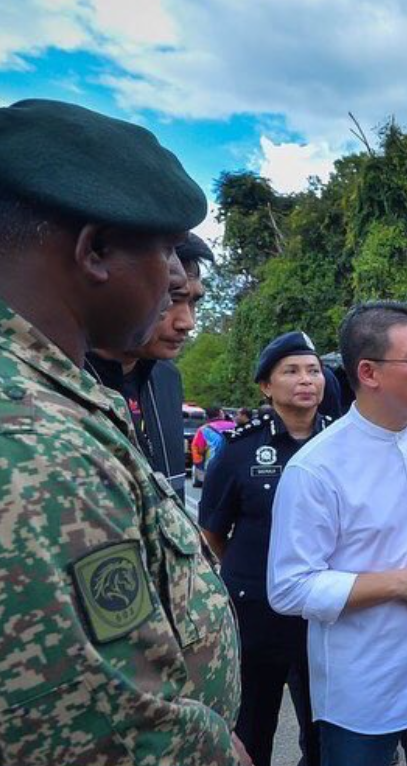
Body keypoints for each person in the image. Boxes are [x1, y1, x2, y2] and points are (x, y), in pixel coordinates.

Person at [0, 98, 246, 765]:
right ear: (97, 251)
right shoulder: (34, 438)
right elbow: (93, 722)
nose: (173, 277)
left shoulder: (58, 390)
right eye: (165, 250)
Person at [267, 301, 407, 766]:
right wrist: (401, 583)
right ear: (368, 372)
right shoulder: (317, 468)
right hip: (367, 687)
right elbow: (289, 587)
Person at [198, 331, 330, 766]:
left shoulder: (342, 444)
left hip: (326, 612)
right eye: (291, 371)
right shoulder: (239, 451)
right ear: (266, 386)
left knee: (325, 728)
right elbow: (212, 533)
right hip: (257, 613)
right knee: (253, 729)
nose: (306, 380)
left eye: (313, 370)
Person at [85, 231, 211, 501]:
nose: (187, 322)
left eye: (194, 302)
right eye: (174, 299)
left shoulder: (167, 379)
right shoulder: (65, 377)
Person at [190, 405, 237, 487]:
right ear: (220, 413)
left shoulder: (203, 430)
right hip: (234, 464)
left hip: (212, 465)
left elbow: (199, 450)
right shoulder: (235, 426)